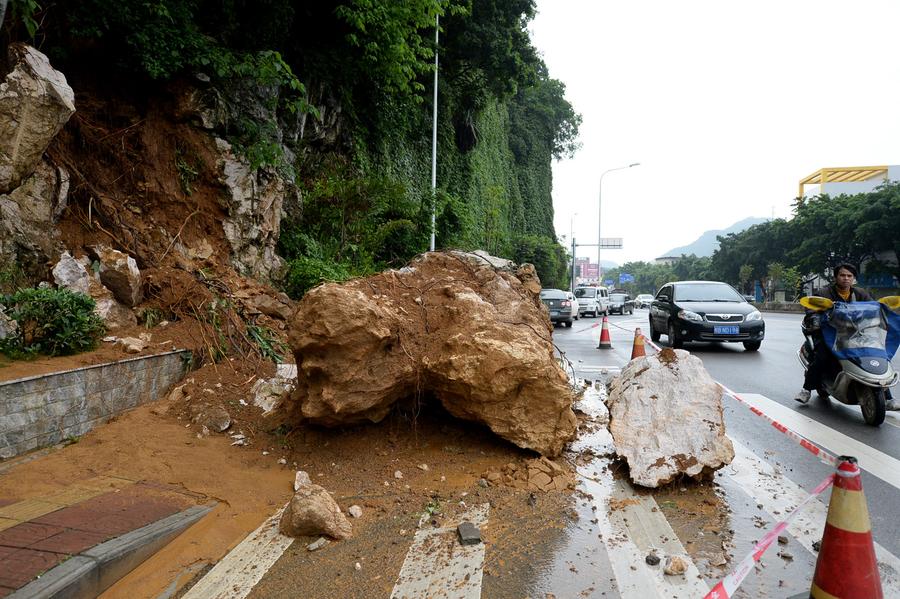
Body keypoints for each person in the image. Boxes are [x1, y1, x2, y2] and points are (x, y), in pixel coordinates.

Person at [794, 263, 896, 410]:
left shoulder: (861, 294)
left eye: (849, 276)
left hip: (855, 335)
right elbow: (811, 306)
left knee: (877, 357)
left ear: (854, 279)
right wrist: (814, 317)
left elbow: (874, 308)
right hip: (831, 334)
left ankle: (888, 398)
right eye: (842, 275)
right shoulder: (824, 293)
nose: (846, 278)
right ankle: (806, 390)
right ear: (836, 277)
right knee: (822, 357)